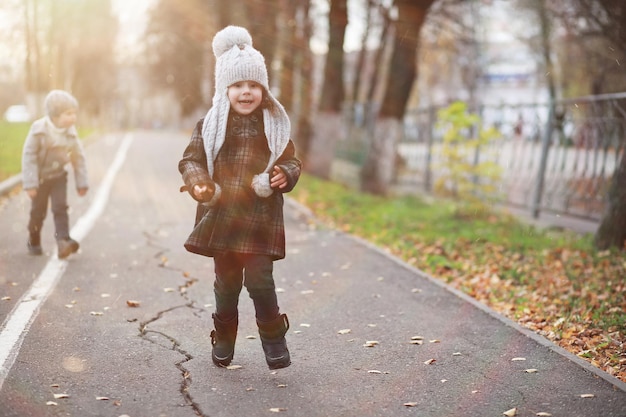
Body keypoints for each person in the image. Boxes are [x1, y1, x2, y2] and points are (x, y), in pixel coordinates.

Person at [178, 26, 301, 370]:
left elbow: (290, 158)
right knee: (227, 283)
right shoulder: (209, 125)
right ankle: (225, 336)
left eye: (253, 85)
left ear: (262, 89)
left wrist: (287, 173)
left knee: (261, 281)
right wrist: (200, 182)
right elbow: (190, 161)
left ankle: (274, 337)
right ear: (225, 89)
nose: (246, 92)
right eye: (238, 86)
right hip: (223, 216)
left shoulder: (273, 125)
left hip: (260, 218)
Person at [21, 90, 88, 259]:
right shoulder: (38, 130)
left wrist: (81, 182)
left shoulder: (70, 132)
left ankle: (63, 241)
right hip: (40, 179)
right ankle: (33, 240)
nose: (73, 118)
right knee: (38, 212)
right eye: (68, 114)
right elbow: (28, 156)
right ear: (55, 115)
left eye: (74, 113)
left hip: (58, 177)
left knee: (60, 208)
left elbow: (78, 157)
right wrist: (30, 183)